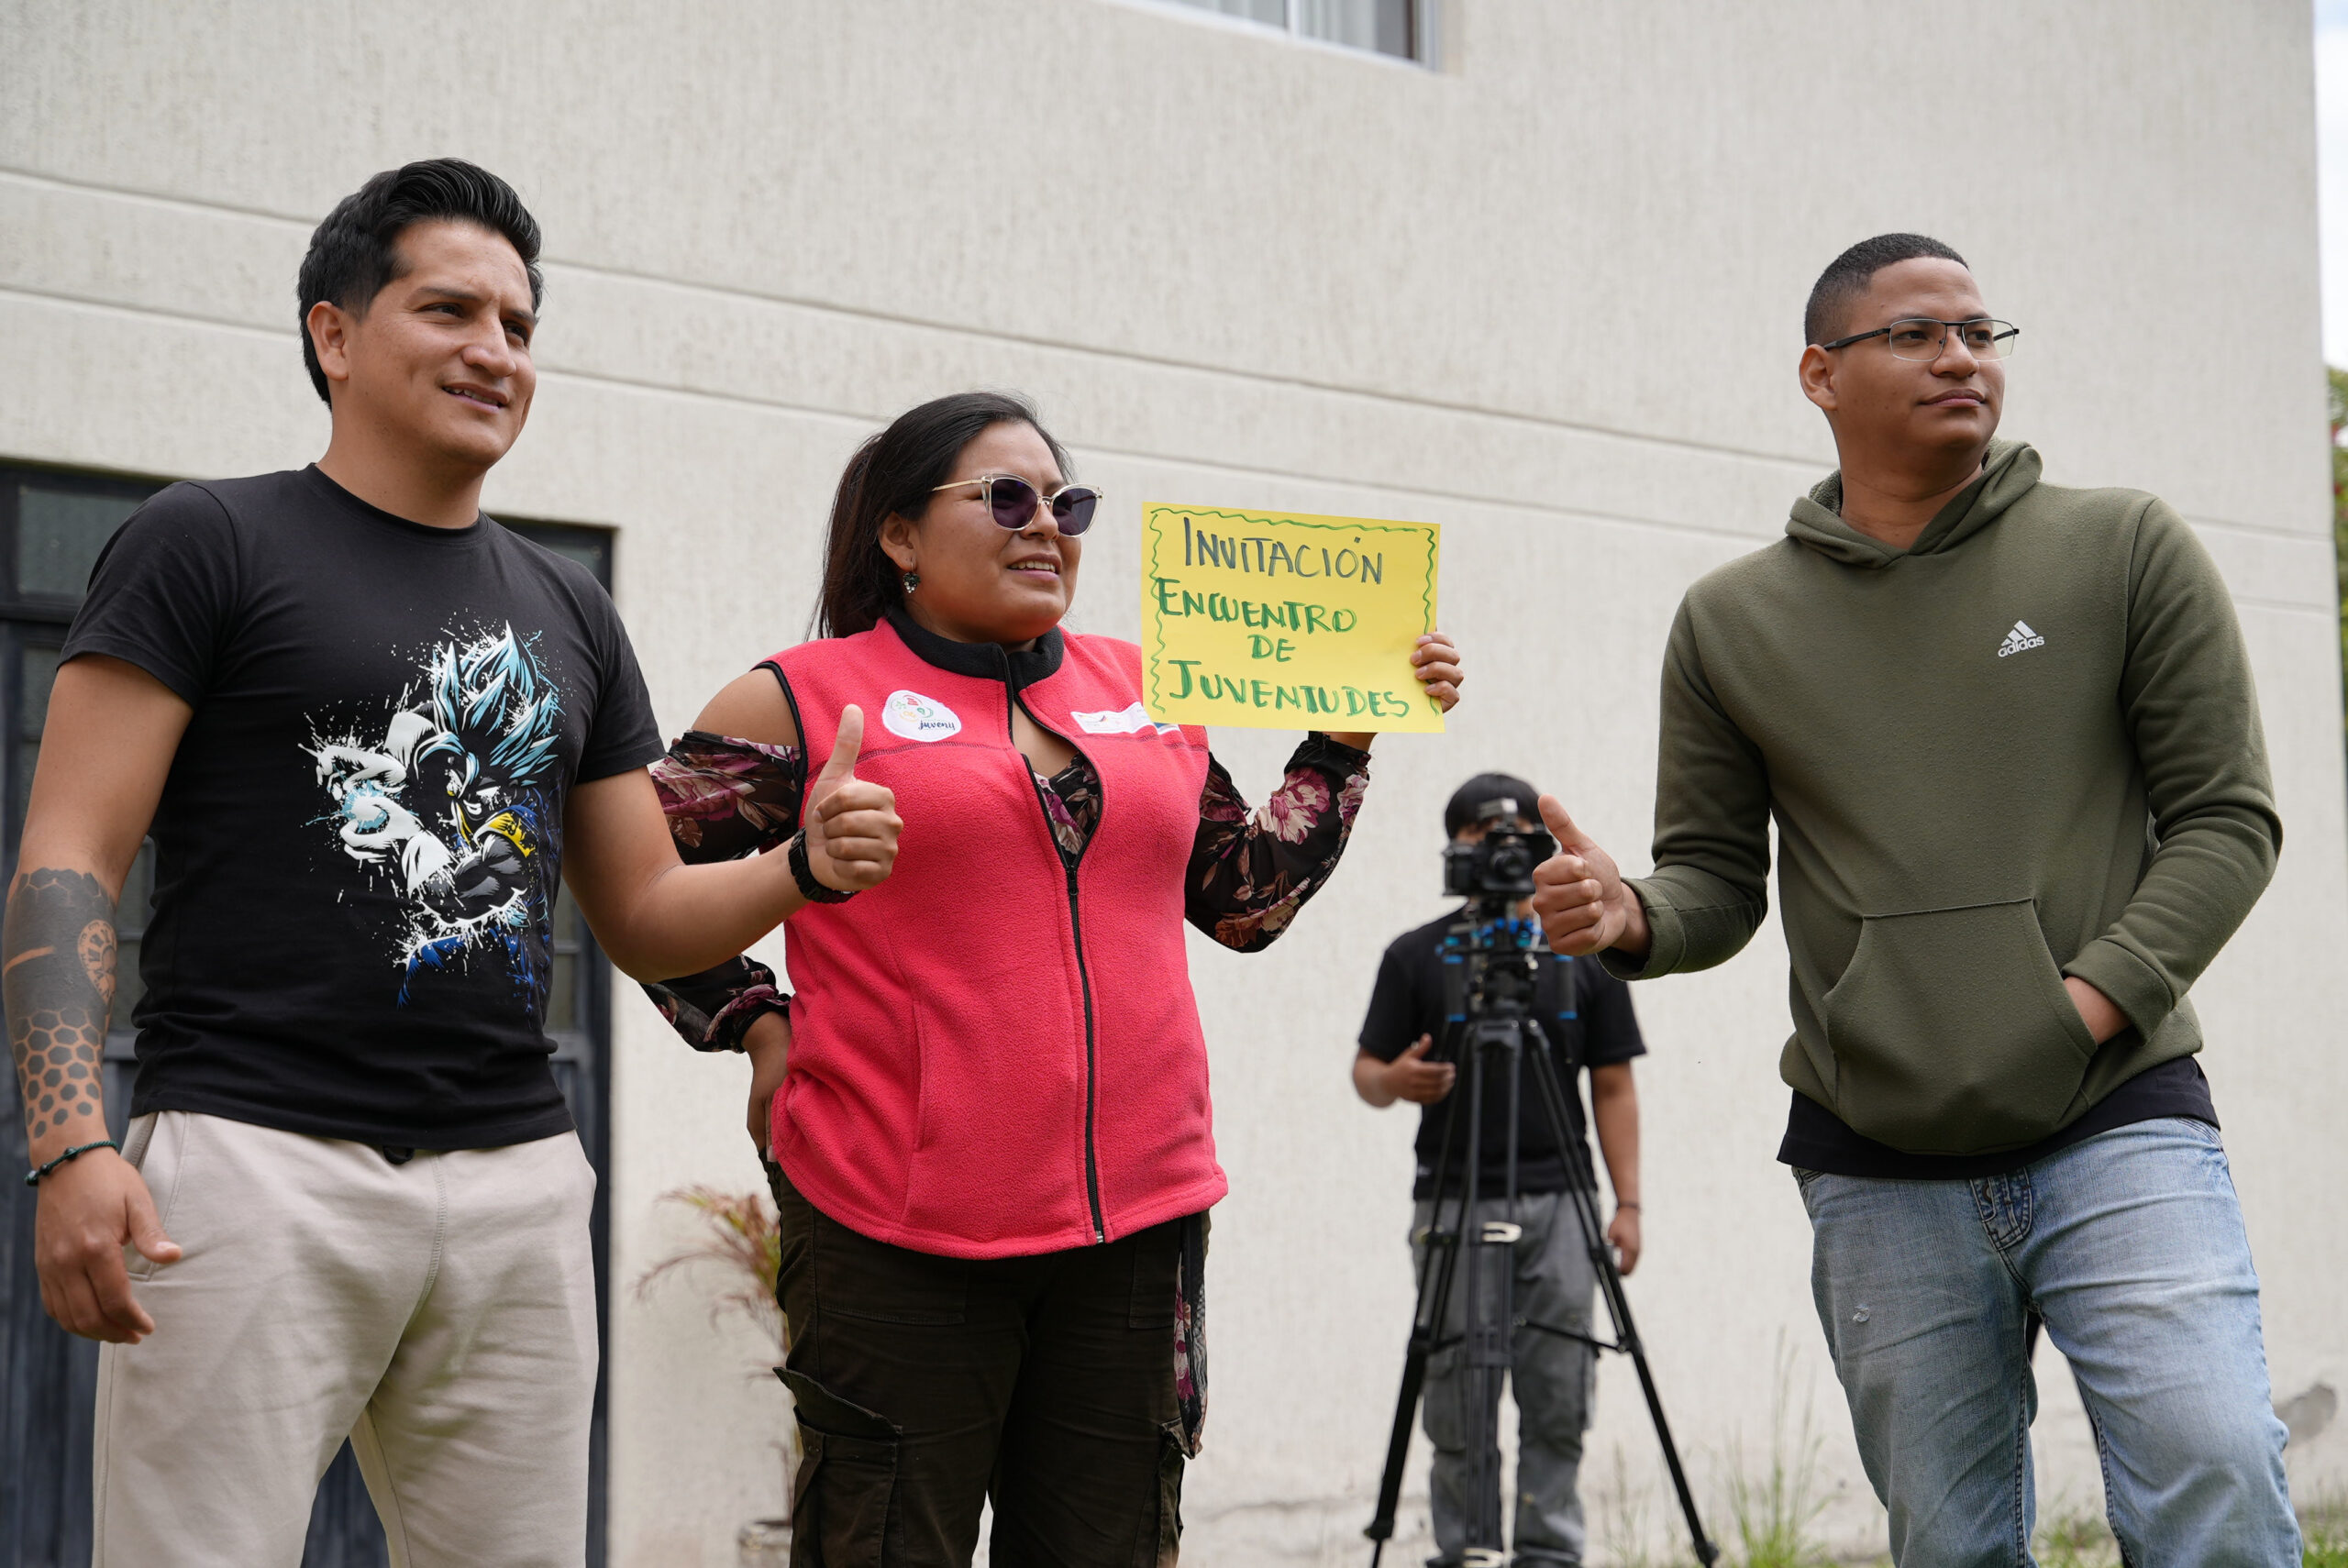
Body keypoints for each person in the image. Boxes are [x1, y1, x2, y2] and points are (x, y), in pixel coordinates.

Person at [8, 159, 901, 1567]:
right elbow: (69, 853)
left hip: (515, 1184)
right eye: (450, 309)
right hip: (250, 1166)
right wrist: (65, 1142)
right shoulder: (207, 542)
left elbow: (649, 914)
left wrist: (804, 866)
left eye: (521, 325)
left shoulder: (568, 604)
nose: (496, 349)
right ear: (335, 335)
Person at [1530, 233, 2298, 1564]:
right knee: (1947, 1542)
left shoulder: (2120, 546)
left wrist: (2079, 1009)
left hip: (2117, 1113)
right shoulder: (1730, 619)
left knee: (2214, 1470)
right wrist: (1632, 915)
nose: (1962, 354)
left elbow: (2228, 820)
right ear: (1821, 374)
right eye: (1919, 332)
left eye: (1983, 331)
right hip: (1876, 1155)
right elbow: (1715, 876)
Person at [638, 389, 1464, 1566]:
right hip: (894, 1233)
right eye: (1004, 498)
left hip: (1136, 1232)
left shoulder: (1146, 688)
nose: (1045, 525)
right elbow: (628, 876)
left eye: (1065, 502)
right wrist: (751, 1019)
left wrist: (1346, 740)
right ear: (900, 534)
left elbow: (1243, 901)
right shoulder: (802, 699)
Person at [1354, 772, 1645, 1568]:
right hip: (1451, 1199)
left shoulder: (1583, 950)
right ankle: (1468, 1551)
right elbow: (1366, 1072)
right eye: (1486, 843)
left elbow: (1613, 1081)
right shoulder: (1417, 955)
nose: (1504, 858)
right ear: (1455, 850)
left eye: (1521, 841)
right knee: (1458, 1396)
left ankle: (1549, 1554)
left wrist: (1630, 1204)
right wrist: (1396, 1082)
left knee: (1558, 1392)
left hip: (1562, 1198)